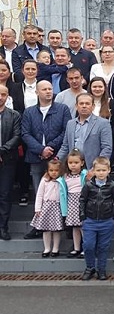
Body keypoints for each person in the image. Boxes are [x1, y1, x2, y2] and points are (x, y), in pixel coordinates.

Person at [21, 81, 71, 237]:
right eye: (44, 89)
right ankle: (39, 226)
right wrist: (41, 149)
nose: (48, 91)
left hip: (57, 157)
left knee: (61, 192)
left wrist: (50, 147)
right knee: (40, 193)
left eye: (50, 89)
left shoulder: (62, 109)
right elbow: (25, 134)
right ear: (37, 92)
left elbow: (66, 131)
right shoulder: (29, 112)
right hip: (36, 157)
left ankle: (66, 224)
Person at [79, 156, 114, 281]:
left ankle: (101, 269)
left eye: (103, 170)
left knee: (103, 247)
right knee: (88, 245)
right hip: (90, 221)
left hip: (107, 221)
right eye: (98, 170)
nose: (101, 173)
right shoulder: (88, 185)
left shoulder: (112, 185)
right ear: (93, 171)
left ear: (108, 170)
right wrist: (83, 217)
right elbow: (82, 200)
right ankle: (90, 267)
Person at [57, 93, 113, 171]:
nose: (84, 106)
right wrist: (56, 161)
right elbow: (65, 146)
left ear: (93, 106)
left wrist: (97, 168)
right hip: (74, 167)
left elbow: (107, 148)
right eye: (81, 103)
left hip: (92, 167)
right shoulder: (70, 123)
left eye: (87, 104)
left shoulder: (103, 123)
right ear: (76, 106)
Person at [30, 158, 64, 257]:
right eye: (51, 170)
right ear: (47, 171)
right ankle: (47, 248)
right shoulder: (45, 180)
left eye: (56, 170)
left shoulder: (61, 180)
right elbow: (39, 194)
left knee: (57, 229)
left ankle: (55, 248)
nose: (54, 173)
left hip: (57, 207)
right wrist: (38, 208)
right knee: (46, 229)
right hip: (46, 207)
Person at [0, 84, 21, 241]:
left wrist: (2, 151)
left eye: (3, 94)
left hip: (7, 160)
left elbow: (17, 136)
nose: (0, 97)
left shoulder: (14, 115)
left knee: (5, 194)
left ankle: (3, 227)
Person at [59, 149, 87, 258]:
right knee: (75, 227)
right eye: (70, 163)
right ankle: (76, 248)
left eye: (76, 163)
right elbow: (63, 192)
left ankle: (85, 247)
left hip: (81, 203)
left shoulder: (83, 174)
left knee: (83, 227)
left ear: (82, 163)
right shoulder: (65, 176)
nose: (73, 165)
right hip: (71, 203)